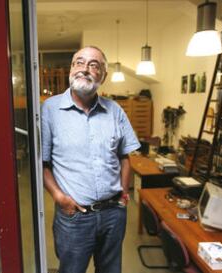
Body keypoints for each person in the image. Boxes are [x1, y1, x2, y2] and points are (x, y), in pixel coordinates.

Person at [41, 46, 140, 273]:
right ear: (71, 69)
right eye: (79, 62)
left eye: (94, 65)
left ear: (103, 76)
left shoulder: (115, 110)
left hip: (114, 213)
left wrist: (124, 195)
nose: (85, 69)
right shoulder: (50, 109)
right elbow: (42, 163)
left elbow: (125, 157)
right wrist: (59, 197)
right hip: (74, 216)